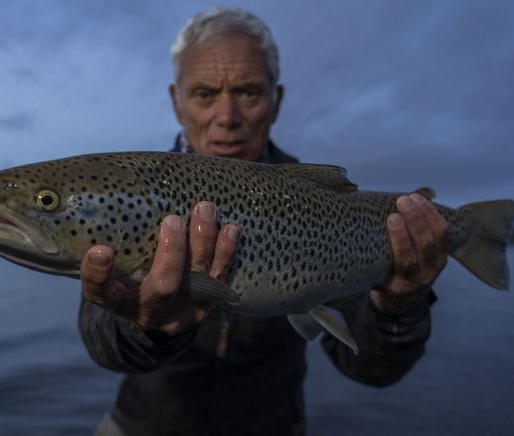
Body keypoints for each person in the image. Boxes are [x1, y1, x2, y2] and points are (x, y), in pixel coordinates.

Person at [78, 7, 448, 436]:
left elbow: (371, 369)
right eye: (204, 94)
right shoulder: (130, 193)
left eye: (249, 92)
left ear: (276, 101)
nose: (228, 116)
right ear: (177, 103)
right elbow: (101, 343)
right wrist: (149, 326)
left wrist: (400, 306)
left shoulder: (326, 206)